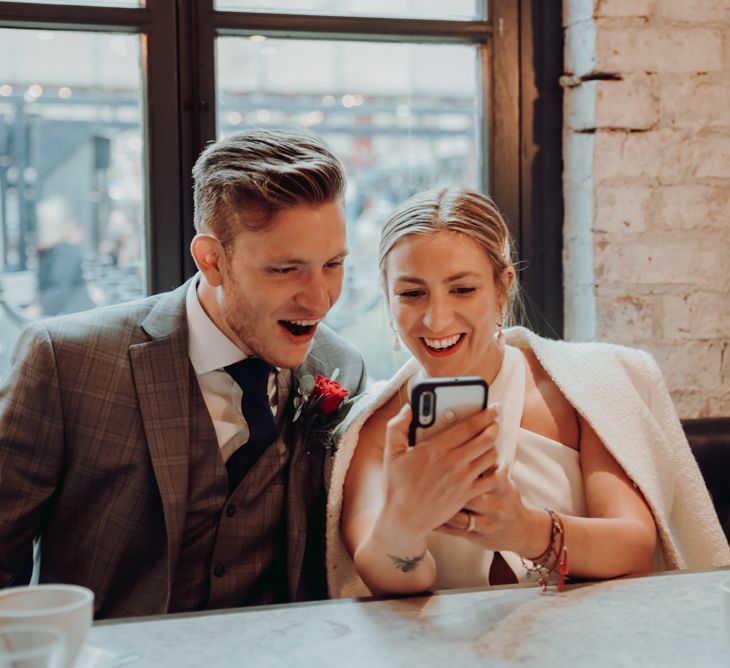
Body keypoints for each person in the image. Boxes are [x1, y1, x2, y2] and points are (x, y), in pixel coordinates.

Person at [0, 128, 367, 618]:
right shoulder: (67, 361)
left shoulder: (340, 366)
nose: (320, 299)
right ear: (212, 260)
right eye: (285, 270)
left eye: (334, 264)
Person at [326, 187, 730, 598]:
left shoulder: (579, 392)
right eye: (412, 293)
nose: (436, 318)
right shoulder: (377, 429)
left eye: (463, 289)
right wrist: (402, 527)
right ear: (387, 295)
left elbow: (635, 547)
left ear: (503, 286)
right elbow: (386, 576)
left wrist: (525, 528)